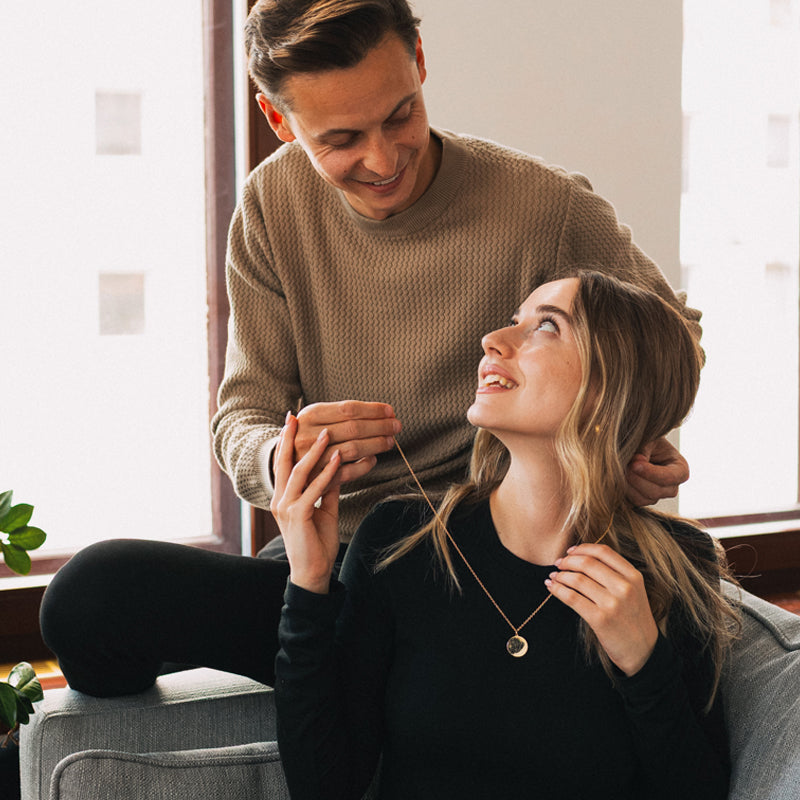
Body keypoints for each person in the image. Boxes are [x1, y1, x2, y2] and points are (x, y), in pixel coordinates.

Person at [211, 0, 701, 547]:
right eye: (342, 140)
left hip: (497, 542)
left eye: (400, 116)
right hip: (334, 542)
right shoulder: (270, 205)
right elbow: (242, 419)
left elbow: (674, 338)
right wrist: (280, 457)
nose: (383, 161)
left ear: (419, 60)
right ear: (278, 119)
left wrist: (630, 437)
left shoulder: (543, 206)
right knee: (131, 575)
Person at [270, 271, 740, 800]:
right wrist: (308, 582)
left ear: (611, 388)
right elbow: (325, 787)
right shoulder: (399, 540)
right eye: (515, 320)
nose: (492, 339)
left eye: (546, 326)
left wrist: (645, 663)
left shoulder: (678, 565)